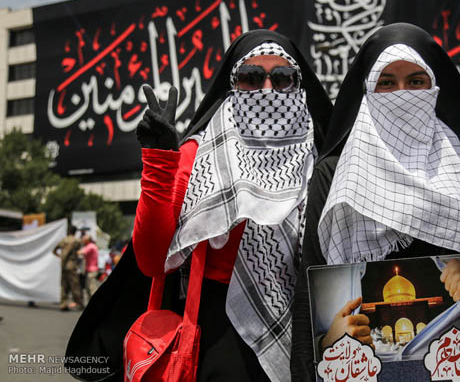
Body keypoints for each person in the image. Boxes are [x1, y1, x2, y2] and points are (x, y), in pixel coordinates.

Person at [291, 23, 460, 382]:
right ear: (367, 90)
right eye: (387, 82)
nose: (402, 94)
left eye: (416, 81)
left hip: (455, 362)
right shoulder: (336, 175)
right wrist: (328, 342)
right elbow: (312, 289)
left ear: (435, 88)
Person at [130, 29, 331, 382]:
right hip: (213, 341)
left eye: (282, 78)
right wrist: (159, 159)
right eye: (251, 78)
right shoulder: (196, 156)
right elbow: (151, 260)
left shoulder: (323, 162)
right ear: (232, 85)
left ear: (299, 86)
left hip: (305, 333)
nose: (267, 90)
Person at [52, 225, 84, 311]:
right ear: (75, 232)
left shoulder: (64, 240)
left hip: (63, 265)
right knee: (75, 285)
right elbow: (80, 250)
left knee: (64, 285)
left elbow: (54, 250)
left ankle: (63, 304)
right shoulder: (77, 240)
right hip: (72, 264)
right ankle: (79, 304)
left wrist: (60, 256)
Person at [78, 233, 100, 300]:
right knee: (88, 288)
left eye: (83, 239)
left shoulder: (90, 246)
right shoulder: (90, 246)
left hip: (92, 270)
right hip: (90, 270)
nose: (82, 240)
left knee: (92, 288)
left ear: (87, 240)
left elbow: (80, 252)